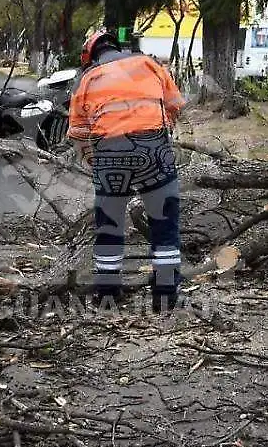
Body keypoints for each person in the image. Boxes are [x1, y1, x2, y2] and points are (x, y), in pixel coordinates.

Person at [68, 30, 187, 312]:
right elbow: (174, 106)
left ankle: (107, 293)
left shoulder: (87, 79)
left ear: (91, 56)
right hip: (153, 146)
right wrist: (160, 136)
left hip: (110, 150)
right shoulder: (149, 64)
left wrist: (97, 162)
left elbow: (79, 133)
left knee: (109, 224)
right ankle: (165, 295)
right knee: (164, 222)